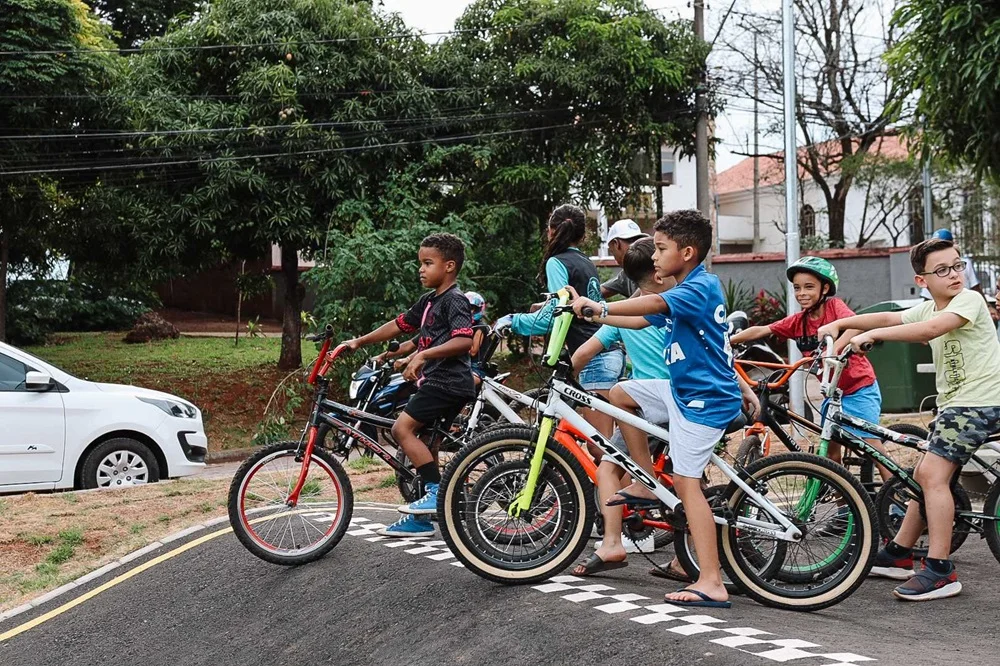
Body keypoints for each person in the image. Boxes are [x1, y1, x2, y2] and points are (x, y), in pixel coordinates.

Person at [570, 209, 753, 608]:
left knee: (688, 487)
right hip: (681, 390)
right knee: (620, 394)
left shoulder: (696, 289)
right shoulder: (687, 288)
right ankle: (645, 479)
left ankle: (711, 581)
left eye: (660, 248)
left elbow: (650, 302)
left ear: (687, 252)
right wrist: (599, 312)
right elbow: (642, 318)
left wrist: (596, 305)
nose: (653, 256)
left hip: (703, 402)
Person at [819, 236, 1000, 601]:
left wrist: (870, 335)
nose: (954, 275)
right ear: (923, 280)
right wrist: (843, 326)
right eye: (942, 270)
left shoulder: (969, 300)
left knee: (933, 475)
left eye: (957, 265)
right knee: (922, 475)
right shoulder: (930, 307)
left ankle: (940, 571)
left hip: (979, 403)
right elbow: (890, 316)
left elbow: (929, 330)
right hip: (956, 405)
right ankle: (900, 553)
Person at [343, 233, 475, 538]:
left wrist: (423, 355)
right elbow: (400, 325)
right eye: (421, 263)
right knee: (426, 447)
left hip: (448, 382)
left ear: (450, 266)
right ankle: (423, 516)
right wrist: (361, 342)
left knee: (400, 430)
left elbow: (464, 339)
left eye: (428, 263)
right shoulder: (430, 301)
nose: (421, 269)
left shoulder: (454, 299)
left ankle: (436, 492)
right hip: (438, 380)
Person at [729, 256, 893, 482]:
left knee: (870, 445)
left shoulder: (834, 308)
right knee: (830, 454)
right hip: (832, 394)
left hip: (858, 388)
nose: (802, 293)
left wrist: (834, 348)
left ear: (825, 288)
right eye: (797, 288)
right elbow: (763, 330)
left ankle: (896, 498)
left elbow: (854, 325)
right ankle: (844, 504)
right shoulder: (799, 322)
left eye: (809, 287)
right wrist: (729, 342)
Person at [567, 239, 674, 573]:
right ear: (657, 273)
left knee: (609, 467)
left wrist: (567, 371)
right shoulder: (671, 304)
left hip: (646, 405)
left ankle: (612, 543)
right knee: (688, 478)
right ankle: (689, 556)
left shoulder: (632, 311)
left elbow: (583, 354)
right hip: (673, 400)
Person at [496, 204, 625, 440]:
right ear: (583, 236)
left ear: (550, 231)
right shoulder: (585, 261)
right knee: (600, 443)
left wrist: (513, 321)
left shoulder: (556, 262)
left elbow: (553, 318)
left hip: (593, 359)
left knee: (602, 448)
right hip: (606, 353)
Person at [601, 218, 649, 299]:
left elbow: (640, 300)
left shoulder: (654, 268)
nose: (636, 245)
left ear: (616, 244)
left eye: (612, 252)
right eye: (631, 241)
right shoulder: (626, 274)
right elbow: (598, 292)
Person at [465, 291, 490, 386]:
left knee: (456, 386)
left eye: (471, 308)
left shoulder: (480, 327)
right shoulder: (464, 325)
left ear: (477, 309)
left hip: (475, 367)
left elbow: (473, 351)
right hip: (463, 364)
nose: (468, 310)